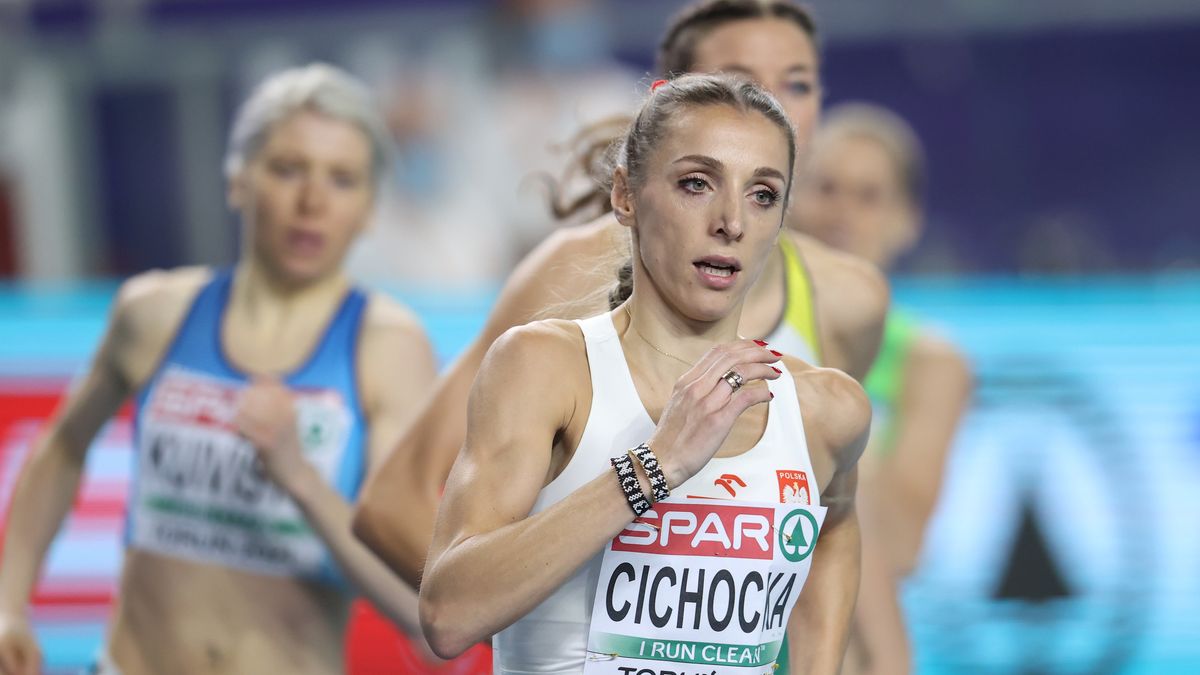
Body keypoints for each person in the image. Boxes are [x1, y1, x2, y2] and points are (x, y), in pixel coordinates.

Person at [354, 0, 888, 590]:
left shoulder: (850, 296)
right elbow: (395, 504)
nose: (770, 106)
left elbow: (832, 521)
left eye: (798, 82)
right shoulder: (570, 271)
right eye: (739, 83)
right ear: (674, 97)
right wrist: (529, 638)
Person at [419, 72, 870, 675]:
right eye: (696, 184)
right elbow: (449, 615)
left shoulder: (825, 410)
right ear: (626, 196)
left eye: (762, 194)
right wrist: (655, 467)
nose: (731, 221)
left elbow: (834, 530)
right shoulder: (546, 368)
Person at [0, 64, 435, 675]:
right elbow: (62, 447)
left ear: (368, 209)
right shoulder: (154, 313)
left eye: (342, 180)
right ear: (238, 180)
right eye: (288, 169)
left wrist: (299, 477)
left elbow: (416, 611)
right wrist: (7, 605)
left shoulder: (386, 346)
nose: (312, 202)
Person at [793, 103, 973, 672]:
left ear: (907, 220)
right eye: (825, 188)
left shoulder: (930, 362)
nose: (842, 213)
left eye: (869, 197)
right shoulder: (744, 330)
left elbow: (902, 546)